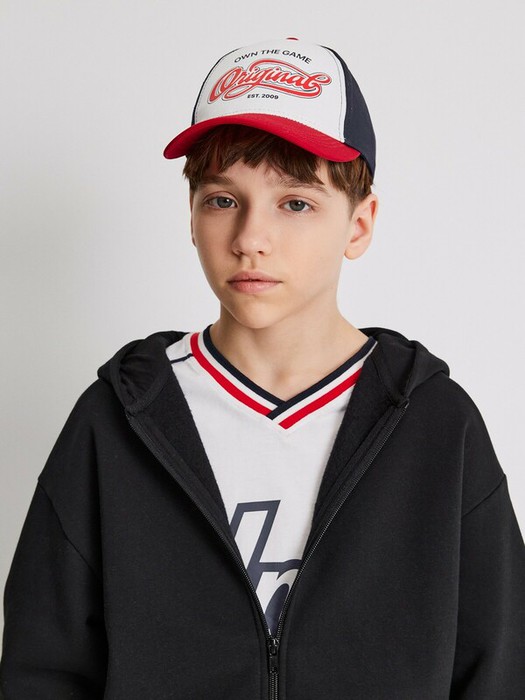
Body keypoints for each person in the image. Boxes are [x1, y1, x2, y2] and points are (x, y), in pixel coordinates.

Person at [1, 37, 524, 700]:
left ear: (359, 224)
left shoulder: (436, 425)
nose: (250, 238)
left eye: (295, 203)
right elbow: (42, 669)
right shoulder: (117, 421)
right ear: (192, 217)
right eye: (222, 199)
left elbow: (499, 669)